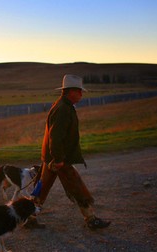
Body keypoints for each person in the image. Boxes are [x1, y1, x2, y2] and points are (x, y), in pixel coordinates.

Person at [33, 74, 111, 230]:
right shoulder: (63, 109)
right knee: (76, 185)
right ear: (70, 91)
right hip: (59, 159)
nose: (81, 94)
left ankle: (28, 217)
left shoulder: (63, 105)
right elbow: (56, 137)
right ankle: (91, 219)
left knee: (42, 188)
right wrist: (59, 159)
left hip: (52, 157)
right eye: (79, 91)